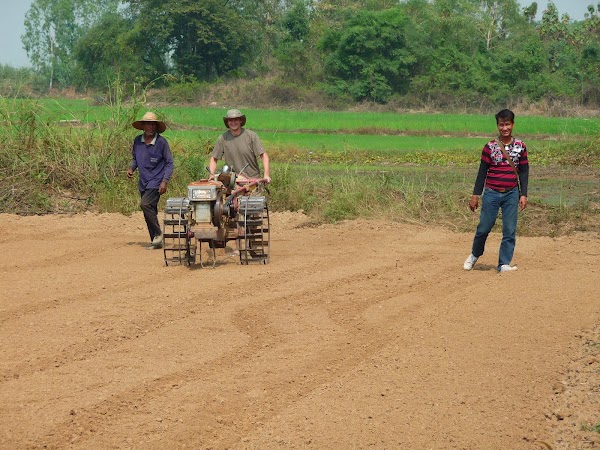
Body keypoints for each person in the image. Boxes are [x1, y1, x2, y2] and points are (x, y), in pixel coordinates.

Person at [463, 109, 529, 272]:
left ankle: (503, 263)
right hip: (491, 192)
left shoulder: (521, 147)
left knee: (509, 230)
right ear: (497, 126)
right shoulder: (489, 147)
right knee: (484, 227)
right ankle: (474, 255)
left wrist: (523, 194)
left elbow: (524, 172)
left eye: (507, 124)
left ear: (512, 125)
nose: (504, 128)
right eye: (501, 125)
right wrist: (475, 195)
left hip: (511, 193)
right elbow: (482, 172)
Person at [127, 111, 174, 249]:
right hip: (143, 182)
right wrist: (131, 168)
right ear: (143, 126)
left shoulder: (161, 142)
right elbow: (135, 159)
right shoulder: (137, 141)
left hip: (156, 181)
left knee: (145, 204)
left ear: (156, 127)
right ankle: (155, 241)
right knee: (150, 210)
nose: (150, 127)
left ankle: (158, 233)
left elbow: (169, 163)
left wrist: (165, 181)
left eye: (153, 125)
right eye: (148, 124)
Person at [209, 109, 271, 183]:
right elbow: (214, 158)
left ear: (240, 121)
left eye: (236, 120)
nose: (233, 123)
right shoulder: (223, 138)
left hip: (252, 181)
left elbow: (264, 156)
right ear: (227, 122)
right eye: (230, 120)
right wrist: (211, 175)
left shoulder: (251, 136)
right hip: (232, 181)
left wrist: (266, 175)